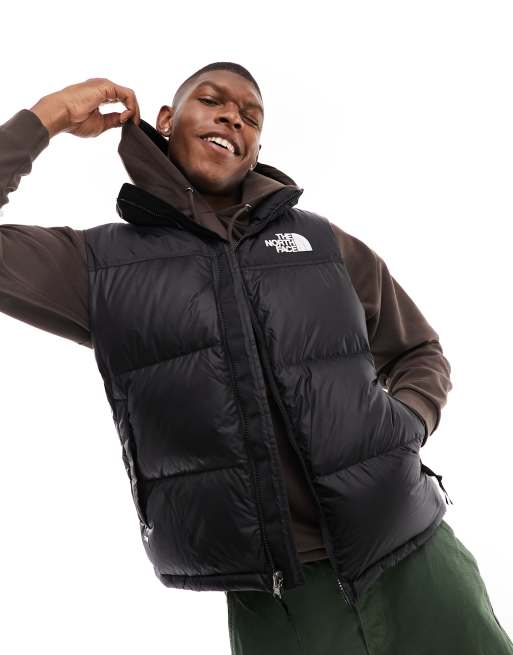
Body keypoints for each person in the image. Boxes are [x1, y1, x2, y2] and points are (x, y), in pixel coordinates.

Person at [1, 62, 511, 654]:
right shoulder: (100, 267)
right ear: (166, 120)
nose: (231, 118)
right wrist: (49, 115)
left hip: (416, 553)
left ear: (256, 149)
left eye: (250, 116)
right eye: (211, 101)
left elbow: (418, 350)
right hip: (278, 601)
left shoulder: (322, 244)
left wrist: (405, 426)